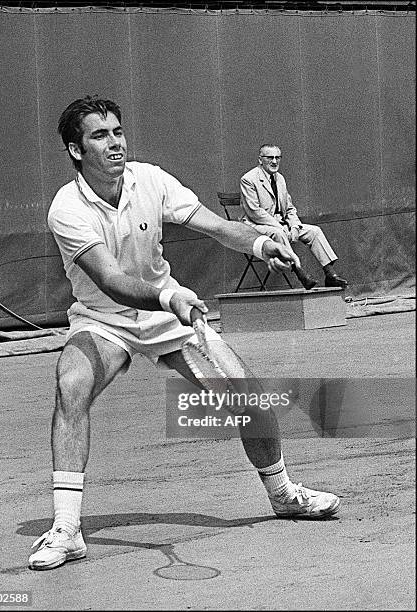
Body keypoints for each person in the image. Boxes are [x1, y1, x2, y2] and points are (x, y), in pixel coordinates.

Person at [28, 96, 340, 571]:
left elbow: (215, 226)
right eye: (99, 135)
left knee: (249, 399)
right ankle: (67, 529)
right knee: (71, 386)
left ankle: (283, 495)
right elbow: (112, 282)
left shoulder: (150, 178)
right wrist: (171, 298)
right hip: (102, 318)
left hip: (166, 316)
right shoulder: (66, 209)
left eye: (117, 131)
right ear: (76, 149)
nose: (115, 143)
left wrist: (259, 244)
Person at [240, 144, 348, 290]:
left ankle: (330, 274)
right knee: (278, 233)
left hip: (282, 224)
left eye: (277, 158)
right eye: (270, 157)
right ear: (260, 160)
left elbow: (289, 208)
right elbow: (254, 212)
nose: (274, 161)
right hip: (257, 226)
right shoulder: (248, 179)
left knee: (314, 231)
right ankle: (299, 271)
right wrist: (280, 227)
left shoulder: (280, 179)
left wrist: (295, 226)